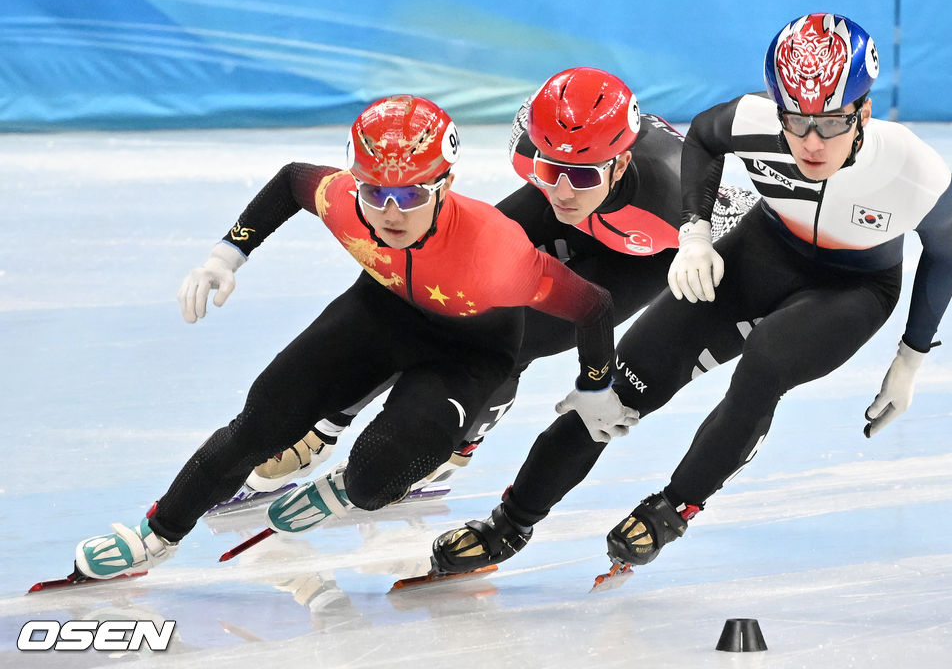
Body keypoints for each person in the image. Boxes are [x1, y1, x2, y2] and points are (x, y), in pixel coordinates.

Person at [430, 13, 952, 574]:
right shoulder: (752, 120)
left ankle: (675, 505)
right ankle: (510, 523)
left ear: (864, 111)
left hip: (852, 287)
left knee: (767, 363)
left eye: (830, 123)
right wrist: (696, 233)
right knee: (618, 388)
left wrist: (910, 360)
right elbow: (704, 140)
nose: (810, 142)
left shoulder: (913, 169)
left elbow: (945, 253)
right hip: (762, 252)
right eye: (795, 120)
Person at [72, 95, 636, 580]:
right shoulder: (344, 201)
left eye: (412, 195)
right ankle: (158, 533)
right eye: (375, 192)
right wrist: (228, 254)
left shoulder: (498, 251)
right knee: (258, 425)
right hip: (380, 314)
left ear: (445, 185)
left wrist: (593, 384)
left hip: (469, 352)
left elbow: (593, 303)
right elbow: (293, 178)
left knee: (375, 479)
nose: (390, 212)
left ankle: (350, 486)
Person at [244, 67, 756, 495]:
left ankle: (458, 442)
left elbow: (761, 244)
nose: (560, 185)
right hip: (574, 211)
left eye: (579, 172)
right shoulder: (534, 150)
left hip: (638, 256)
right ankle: (326, 423)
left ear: (620, 163)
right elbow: (555, 180)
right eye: (548, 164)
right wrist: (565, 178)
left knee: (513, 335)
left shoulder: (685, 199)